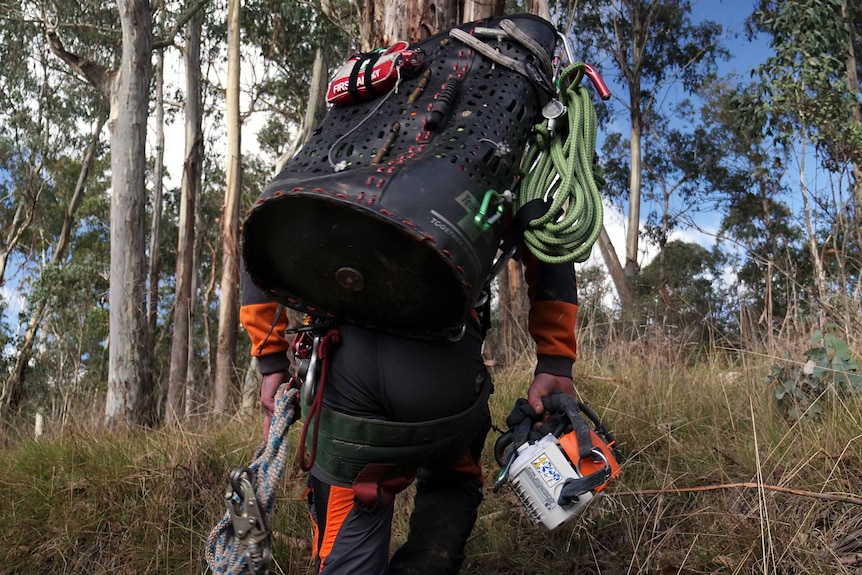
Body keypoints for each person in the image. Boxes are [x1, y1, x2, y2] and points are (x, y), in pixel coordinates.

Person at [239, 247, 580, 574]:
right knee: (453, 479)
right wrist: (555, 360)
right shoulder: (491, 183)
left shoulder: (319, 181)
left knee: (349, 534)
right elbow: (548, 239)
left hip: (346, 377)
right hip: (447, 372)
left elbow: (261, 239)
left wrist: (271, 361)